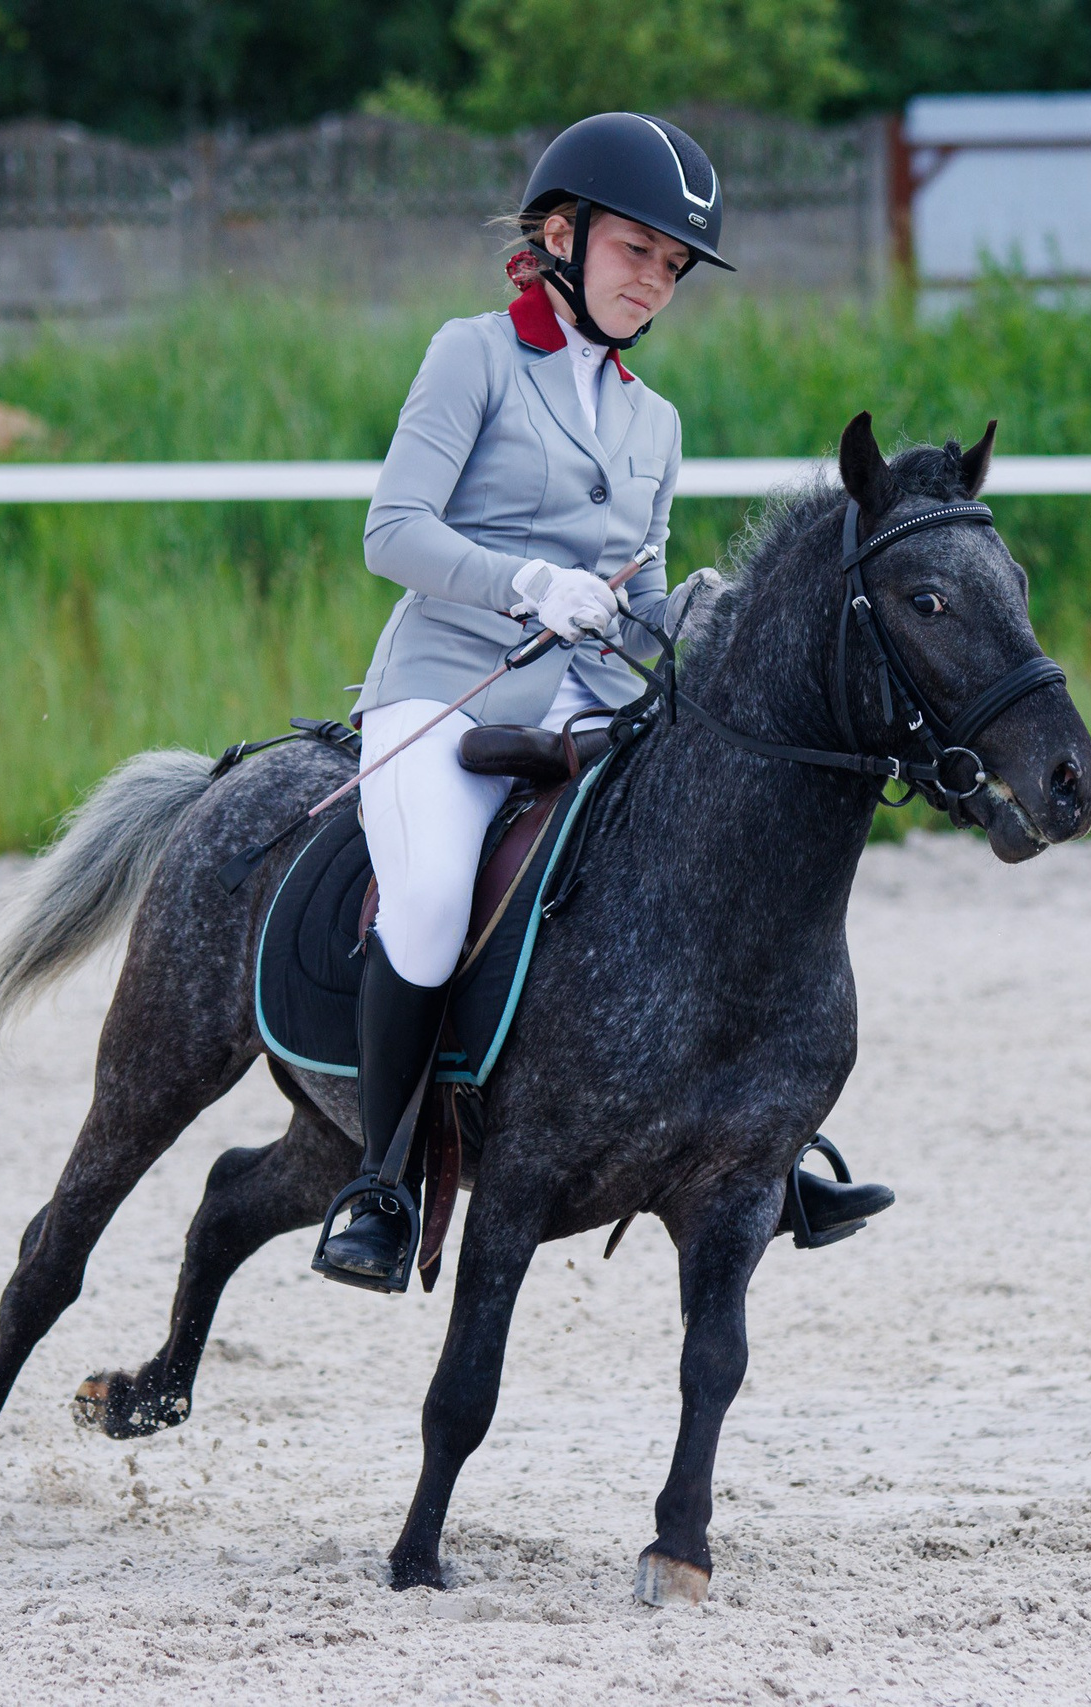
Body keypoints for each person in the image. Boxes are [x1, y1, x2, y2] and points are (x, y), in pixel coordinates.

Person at [315, 112, 892, 1290]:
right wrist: (527, 582)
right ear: (562, 236)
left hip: (592, 707)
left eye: (673, 268)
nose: (655, 284)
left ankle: (759, 1152)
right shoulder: (471, 354)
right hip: (444, 695)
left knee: (704, 862)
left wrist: (689, 621)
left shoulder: (655, 422)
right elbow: (393, 535)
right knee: (426, 901)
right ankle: (377, 1182)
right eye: (638, 252)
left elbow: (639, 599)